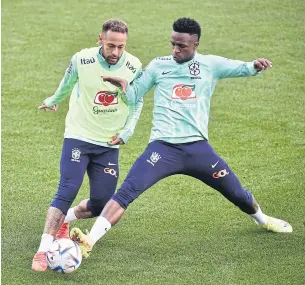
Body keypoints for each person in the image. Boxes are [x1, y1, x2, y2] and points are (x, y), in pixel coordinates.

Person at [70, 17, 292, 258]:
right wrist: (125, 87)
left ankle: (262, 219)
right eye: (173, 44)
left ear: (195, 44)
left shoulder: (210, 65)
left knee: (236, 192)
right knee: (126, 192)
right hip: (162, 150)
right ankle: (90, 240)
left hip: (198, 150)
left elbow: (240, 67)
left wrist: (254, 66)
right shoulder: (158, 66)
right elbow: (135, 95)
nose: (175, 50)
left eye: (182, 46)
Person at [32, 19, 144, 272]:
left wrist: (127, 131)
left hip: (108, 143)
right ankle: (42, 250)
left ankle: (66, 220)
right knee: (67, 188)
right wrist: (53, 99)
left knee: (101, 202)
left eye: (121, 47)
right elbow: (68, 83)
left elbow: (137, 102)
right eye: (111, 45)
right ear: (100, 40)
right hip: (79, 135)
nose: (115, 52)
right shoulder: (82, 60)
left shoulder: (133, 66)